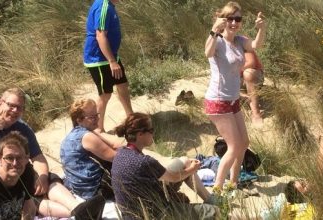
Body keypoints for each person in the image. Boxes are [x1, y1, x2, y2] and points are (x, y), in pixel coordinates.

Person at [0, 87, 98, 218]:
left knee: (48, 178)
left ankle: (79, 209)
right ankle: (75, 213)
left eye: (19, 108)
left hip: (14, 176)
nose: (15, 110)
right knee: (21, 198)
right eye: (11, 105)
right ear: (0, 103)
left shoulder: (21, 127)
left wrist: (42, 177)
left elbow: (38, 157)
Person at [110, 113, 217, 219]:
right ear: (140, 134)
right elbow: (174, 178)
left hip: (135, 210)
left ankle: (211, 200)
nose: (153, 133)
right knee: (214, 212)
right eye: (151, 130)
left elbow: (165, 175)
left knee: (185, 162)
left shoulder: (120, 153)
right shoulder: (144, 162)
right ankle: (215, 207)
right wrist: (193, 169)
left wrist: (188, 167)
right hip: (154, 213)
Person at [205, 1, 254, 193]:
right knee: (233, 147)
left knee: (244, 143)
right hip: (218, 101)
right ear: (223, 19)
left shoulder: (239, 41)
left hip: (233, 100)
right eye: (230, 19)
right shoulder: (217, 40)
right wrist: (213, 30)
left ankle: (233, 183)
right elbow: (207, 53)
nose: (234, 23)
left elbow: (256, 45)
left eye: (238, 19)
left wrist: (261, 28)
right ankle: (217, 189)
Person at [83, 0, 133, 133]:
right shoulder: (103, 6)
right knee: (105, 94)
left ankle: (131, 118)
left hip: (111, 56)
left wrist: (113, 58)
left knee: (122, 84)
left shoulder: (109, 5)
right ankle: (98, 129)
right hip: (99, 59)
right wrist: (111, 61)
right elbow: (100, 36)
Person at [61, 98, 119, 201]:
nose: (97, 119)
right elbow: (115, 157)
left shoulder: (76, 134)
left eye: (97, 115)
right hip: (94, 189)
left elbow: (113, 144)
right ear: (79, 120)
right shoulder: (86, 136)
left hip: (80, 189)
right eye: (92, 117)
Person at [240, 12, 267, 126]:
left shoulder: (240, 40)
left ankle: (255, 112)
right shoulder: (220, 43)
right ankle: (245, 97)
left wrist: (261, 29)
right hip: (237, 79)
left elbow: (251, 62)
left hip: (254, 76)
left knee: (248, 73)